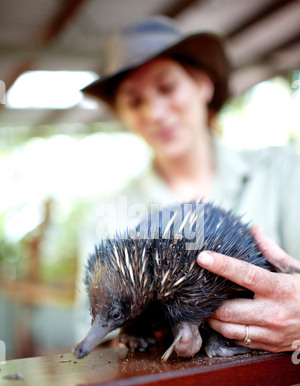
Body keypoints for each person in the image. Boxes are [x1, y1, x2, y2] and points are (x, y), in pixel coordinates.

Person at [79, 15, 300, 354]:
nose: (154, 111)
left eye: (167, 87)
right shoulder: (106, 220)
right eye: (135, 100)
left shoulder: (286, 171)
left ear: (202, 84)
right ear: (123, 114)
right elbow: (104, 343)